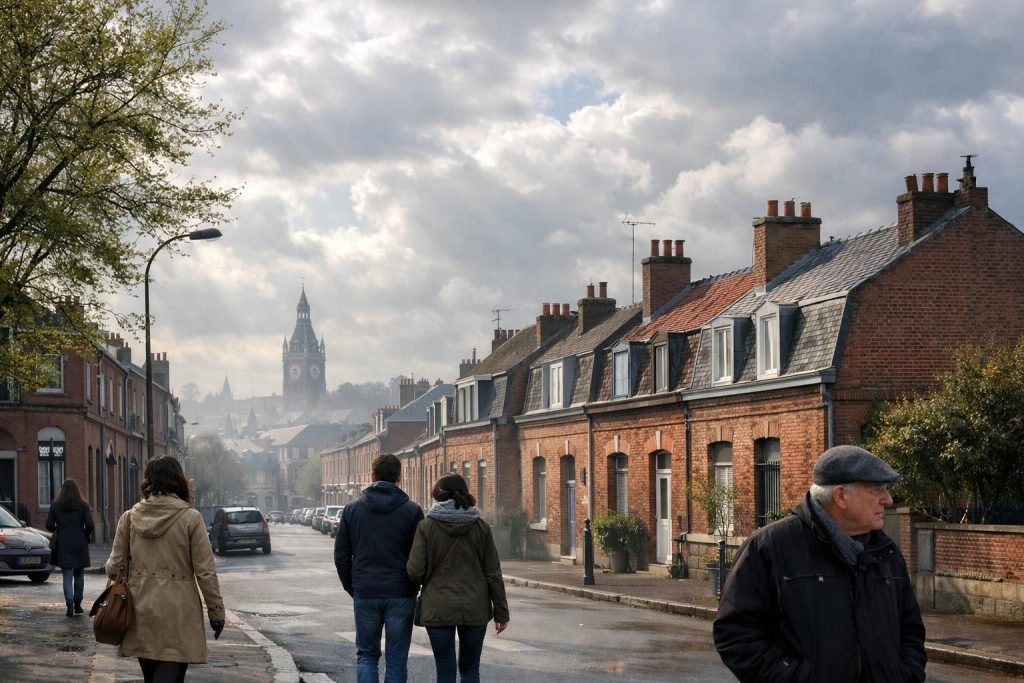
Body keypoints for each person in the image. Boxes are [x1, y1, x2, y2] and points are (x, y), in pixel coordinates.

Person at [713, 445, 926, 683]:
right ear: (841, 496)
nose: (888, 499)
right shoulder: (769, 547)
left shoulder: (886, 552)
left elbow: (911, 630)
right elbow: (735, 635)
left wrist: (906, 675)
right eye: (877, 490)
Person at [105, 456, 225, 683]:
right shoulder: (191, 518)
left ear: (148, 480)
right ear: (179, 480)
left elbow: (113, 568)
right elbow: (205, 572)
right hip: (179, 612)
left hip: (140, 610)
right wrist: (216, 612)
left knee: (151, 677)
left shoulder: (129, 518)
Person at [407, 473, 510, 683]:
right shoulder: (481, 527)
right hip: (475, 607)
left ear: (438, 494)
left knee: (445, 670)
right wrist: (501, 612)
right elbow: (493, 573)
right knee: (470, 669)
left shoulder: (426, 527)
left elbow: (415, 571)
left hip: (438, 606)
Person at [335, 453, 424, 683]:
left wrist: (353, 586)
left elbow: (341, 556)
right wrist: (413, 585)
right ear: (399, 477)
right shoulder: (412, 511)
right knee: (396, 659)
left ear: (372, 476)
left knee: (366, 655)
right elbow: (420, 556)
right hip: (401, 592)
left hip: (365, 590)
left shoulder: (352, 509)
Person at [45, 478, 95, 617]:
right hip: (80, 542)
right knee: (79, 574)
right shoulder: (83, 505)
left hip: (63, 542)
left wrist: (58, 529)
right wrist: (84, 533)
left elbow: (49, 524)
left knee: (67, 575)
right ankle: (78, 604)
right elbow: (90, 525)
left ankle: (69, 605)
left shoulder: (56, 505)